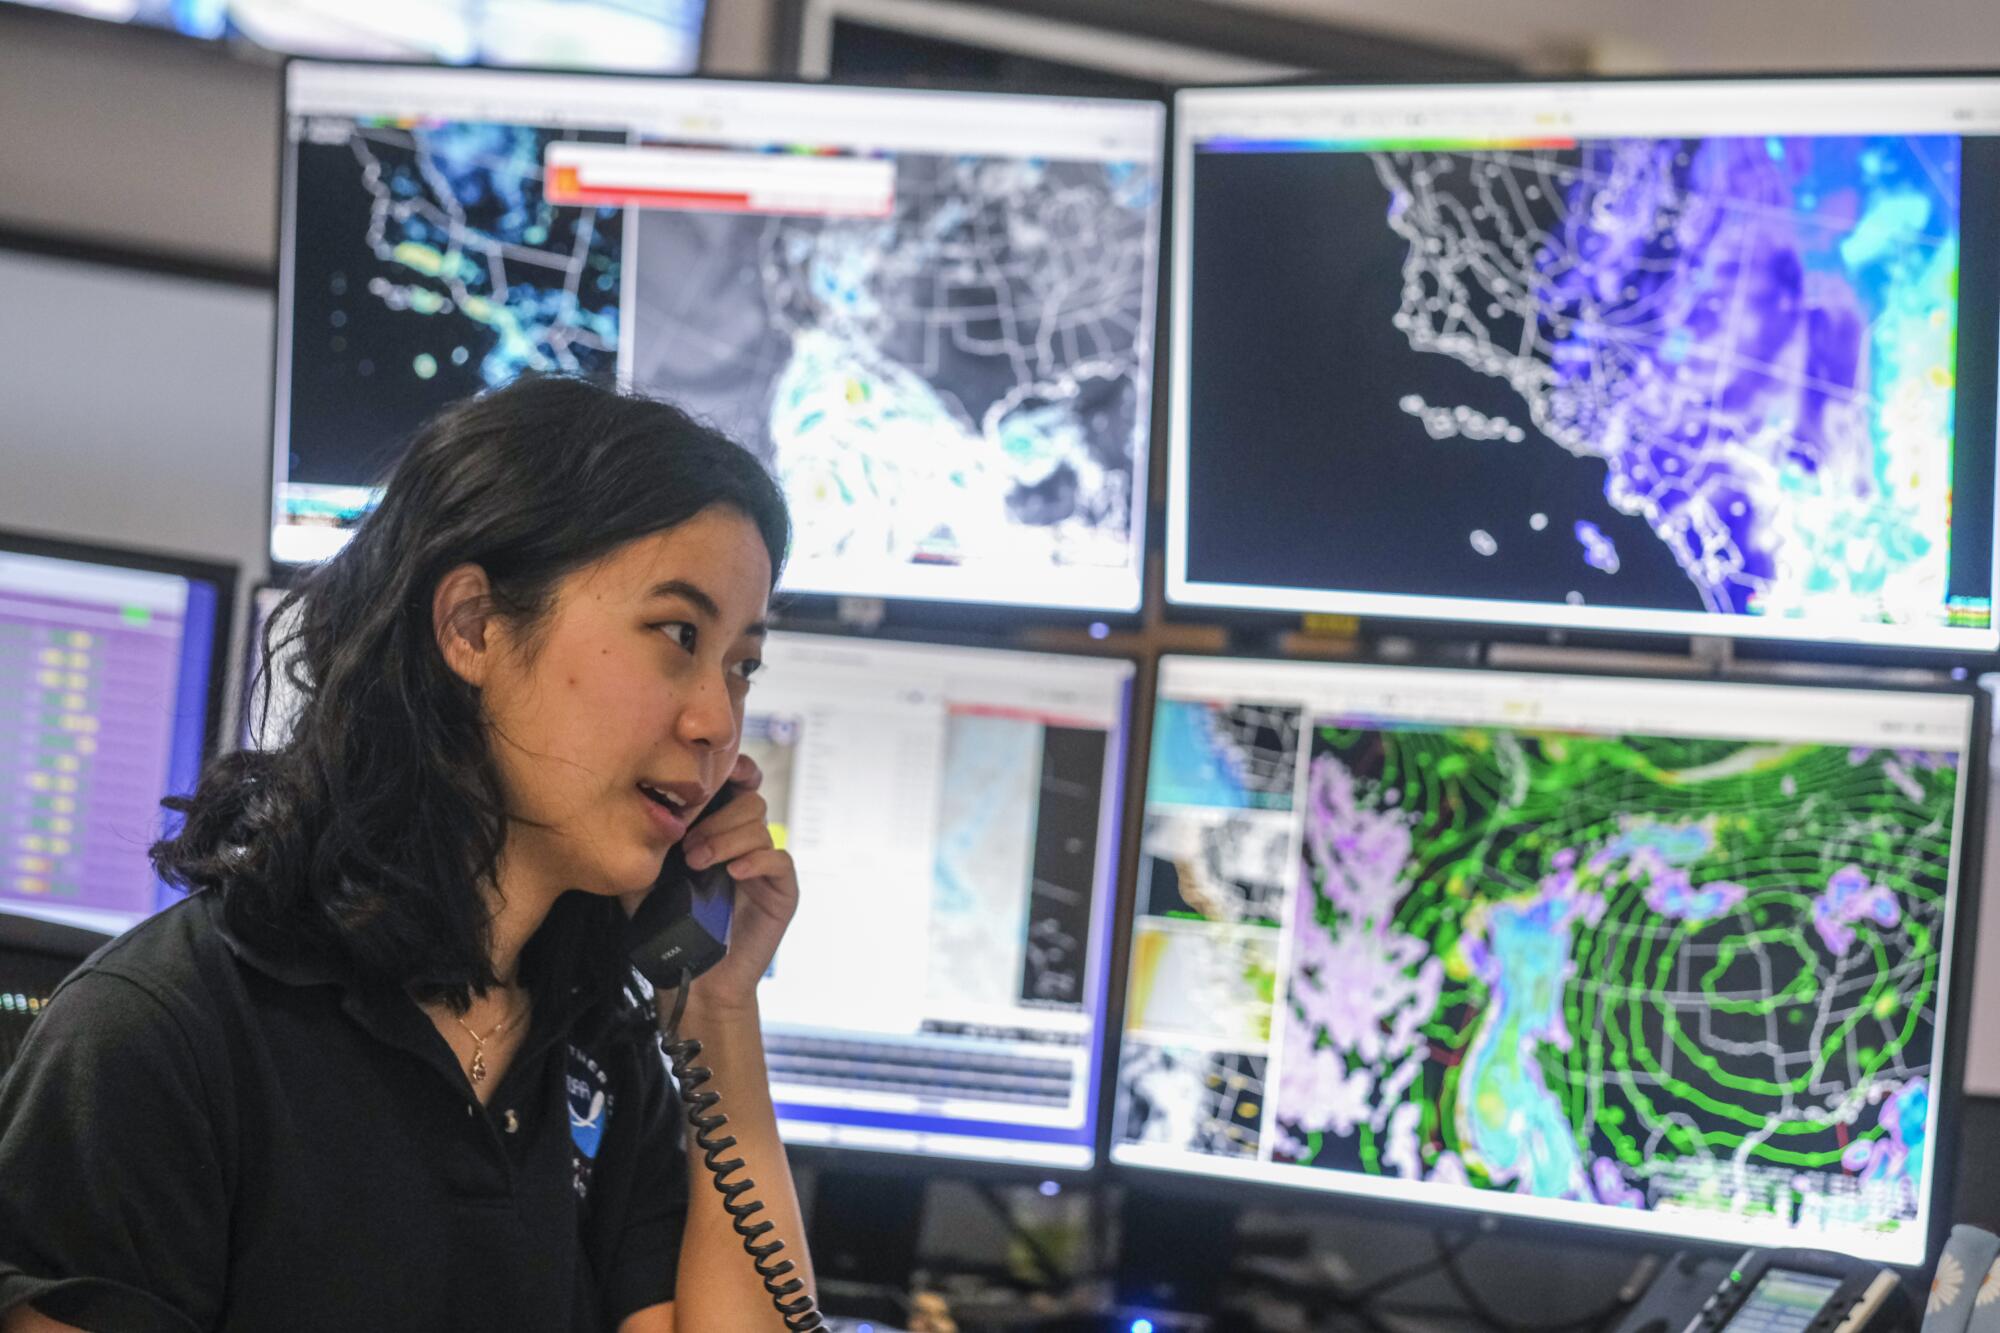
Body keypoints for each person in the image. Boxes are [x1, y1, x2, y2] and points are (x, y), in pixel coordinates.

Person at [0, 375, 814, 1331]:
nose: (717, 719)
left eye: (741, 664)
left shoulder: (597, 1048)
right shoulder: (159, 1038)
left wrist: (717, 1006)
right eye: (678, 634)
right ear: (472, 625)